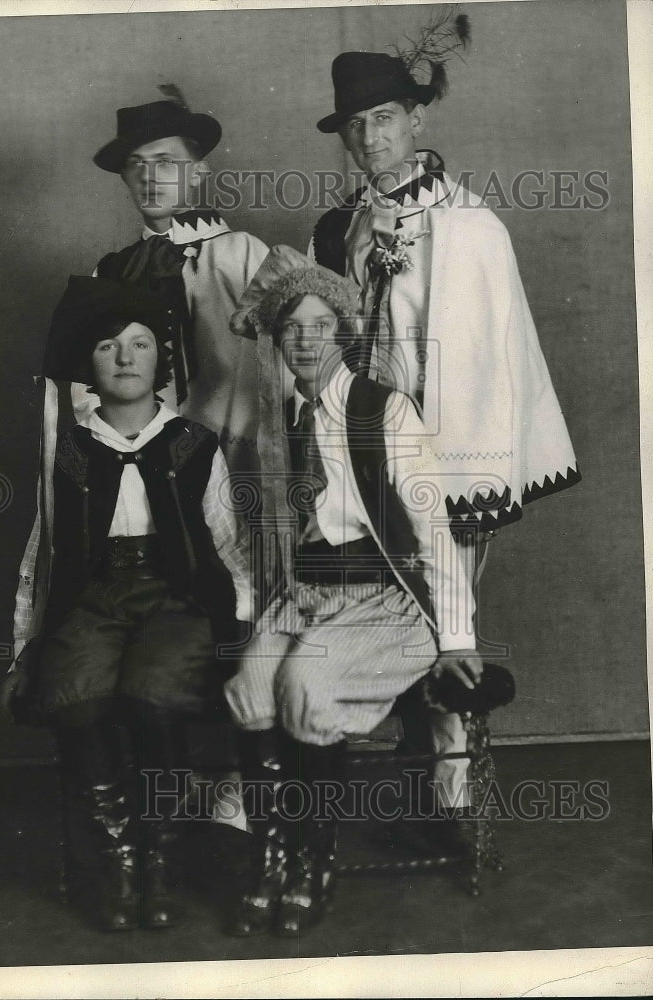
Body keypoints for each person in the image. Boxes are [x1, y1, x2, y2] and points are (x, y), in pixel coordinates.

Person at [309, 38, 580, 843]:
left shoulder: (469, 227)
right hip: (359, 451)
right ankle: (403, 746)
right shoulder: (345, 224)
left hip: (447, 452)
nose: (370, 139)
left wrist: (462, 477)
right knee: (383, 601)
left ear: (418, 117)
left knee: (446, 608)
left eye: (384, 119)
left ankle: (452, 782)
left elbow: (490, 364)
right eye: (354, 126)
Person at [223, 251, 482, 937]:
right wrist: (254, 616)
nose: (305, 340)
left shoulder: (382, 409)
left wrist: (459, 637)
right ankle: (269, 856)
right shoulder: (277, 423)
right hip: (306, 592)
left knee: (308, 685)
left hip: (383, 597)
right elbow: (262, 538)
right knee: (251, 684)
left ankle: (314, 861)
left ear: (343, 333)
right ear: (276, 340)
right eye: (291, 328)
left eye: (319, 325)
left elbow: (432, 529)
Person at [3, 276, 253, 932]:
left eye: (139, 344)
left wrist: (246, 630)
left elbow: (230, 544)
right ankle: (120, 864)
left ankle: (163, 858)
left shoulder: (193, 445)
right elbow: (45, 551)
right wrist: (23, 644)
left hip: (177, 597)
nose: (124, 356)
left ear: (159, 360)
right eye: (108, 345)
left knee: (154, 690)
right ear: (90, 362)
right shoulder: (73, 451)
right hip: (95, 597)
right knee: (76, 689)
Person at [86, 96, 269, 475]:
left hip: (241, 449)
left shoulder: (244, 254)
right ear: (124, 177)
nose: (149, 177)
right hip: (143, 463)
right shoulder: (110, 274)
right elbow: (86, 390)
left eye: (165, 162)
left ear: (198, 173)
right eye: (136, 163)